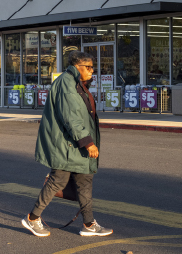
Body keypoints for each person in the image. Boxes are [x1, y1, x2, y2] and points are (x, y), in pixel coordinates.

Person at [21, 51, 113, 237]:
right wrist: (88, 142)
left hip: (75, 144)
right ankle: (32, 218)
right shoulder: (67, 83)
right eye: (88, 67)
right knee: (58, 180)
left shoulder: (77, 84)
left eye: (92, 67)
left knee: (84, 182)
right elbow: (71, 117)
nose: (91, 71)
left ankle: (88, 225)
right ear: (76, 66)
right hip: (67, 145)